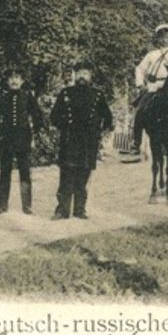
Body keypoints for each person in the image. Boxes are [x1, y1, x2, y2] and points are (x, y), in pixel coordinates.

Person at [50, 60, 113, 219]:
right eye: (79, 73)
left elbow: (108, 118)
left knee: (83, 176)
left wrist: (97, 131)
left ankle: (80, 209)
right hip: (69, 140)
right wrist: (65, 126)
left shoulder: (98, 95)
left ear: (91, 76)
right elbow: (54, 117)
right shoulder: (65, 93)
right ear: (75, 75)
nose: (81, 77)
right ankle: (62, 210)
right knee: (66, 175)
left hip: (88, 141)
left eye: (85, 73)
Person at [0, 67, 44, 215]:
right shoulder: (2, 98)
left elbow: (38, 116)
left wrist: (33, 133)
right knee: (5, 172)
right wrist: (0, 133)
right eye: (11, 78)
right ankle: (2, 205)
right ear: (7, 81)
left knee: (25, 171)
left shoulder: (28, 97)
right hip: (6, 140)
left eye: (17, 78)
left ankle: (27, 206)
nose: (14, 81)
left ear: (22, 81)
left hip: (23, 139)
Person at [128, 23, 168, 155]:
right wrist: (140, 84)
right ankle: (136, 142)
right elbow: (139, 69)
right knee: (140, 110)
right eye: (162, 37)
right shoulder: (151, 55)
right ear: (158, 39)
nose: (165, 39)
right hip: (153, 87)